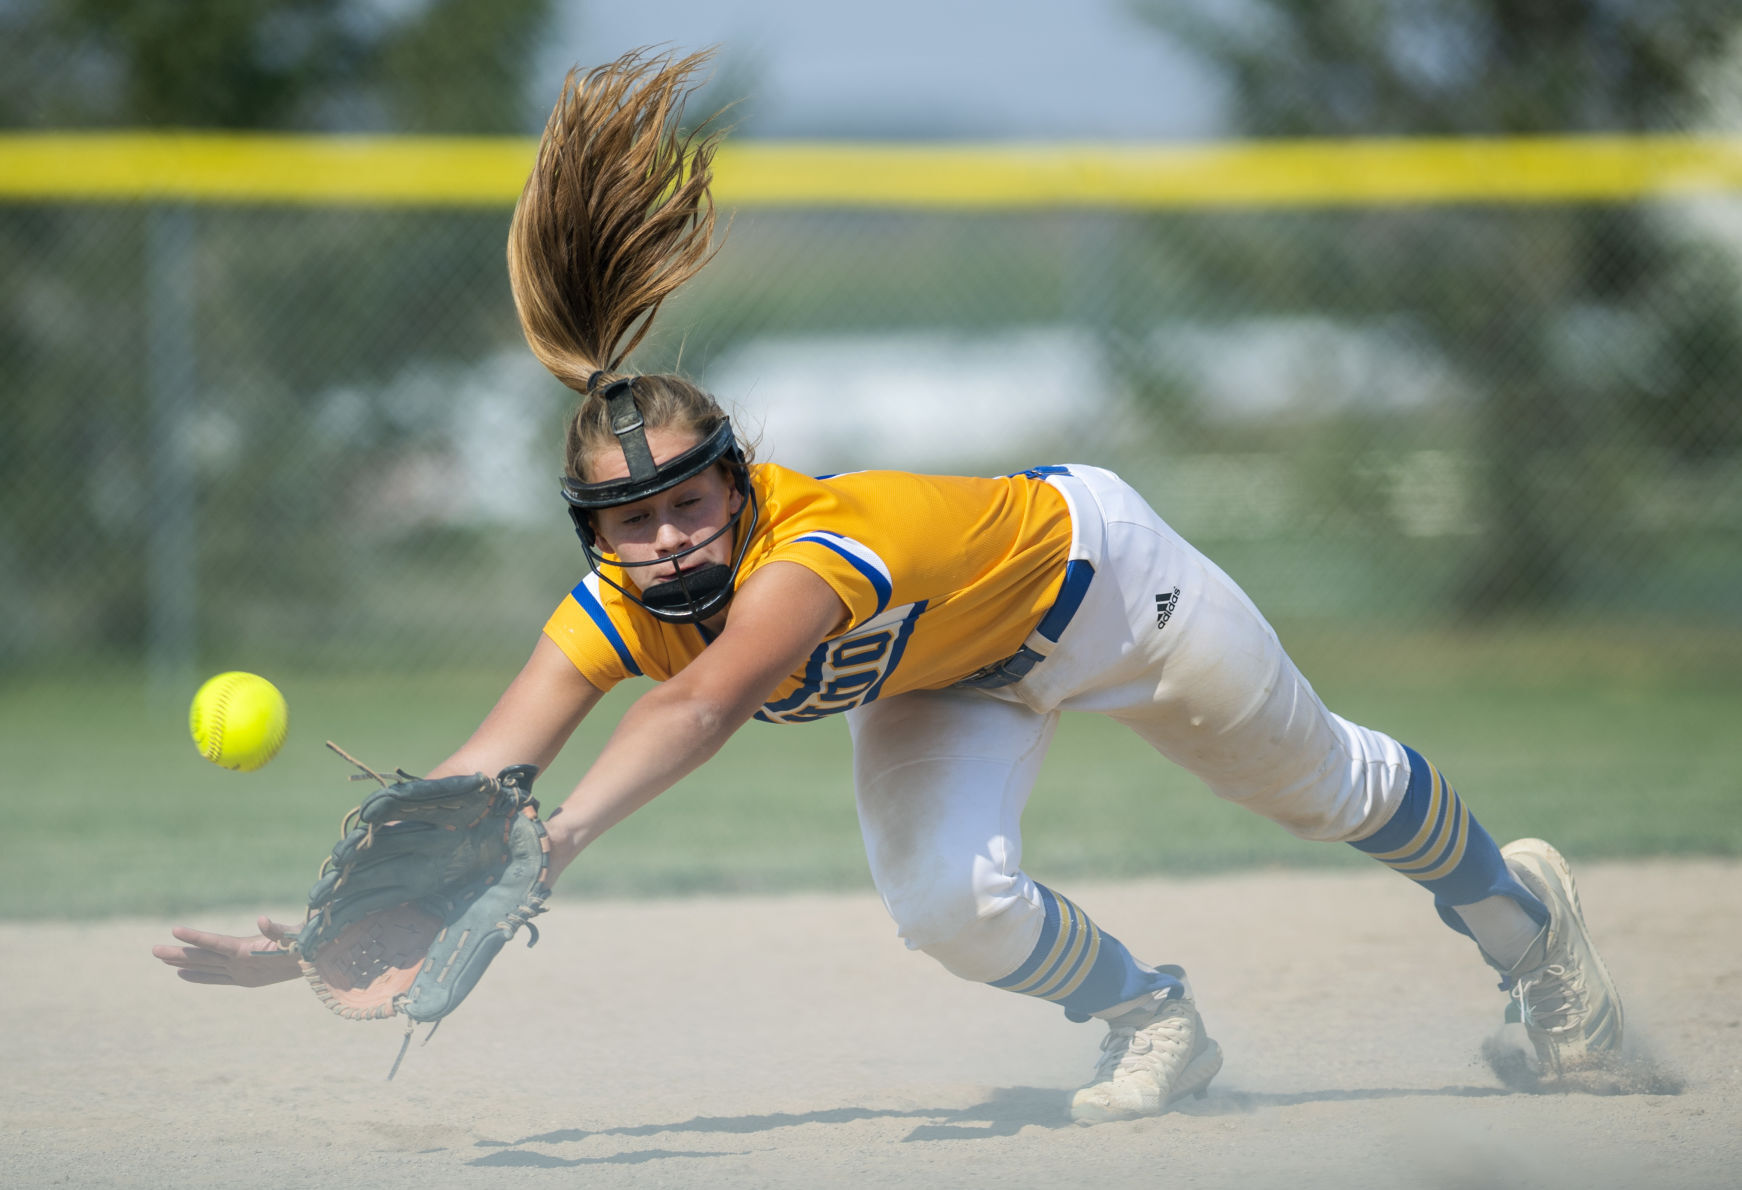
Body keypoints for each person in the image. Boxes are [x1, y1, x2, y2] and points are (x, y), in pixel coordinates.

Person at [153, 48, 1624, 1123]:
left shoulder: (816, 545)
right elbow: (479, 780)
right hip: (939, 683)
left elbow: (719, 699)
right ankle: (1148, 1011)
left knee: (1326, 789)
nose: (664, 539)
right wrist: (315, 940)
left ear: (737, 479)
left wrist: (559, 843)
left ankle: (1523, 927)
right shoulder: (613, 607)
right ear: (590, 533)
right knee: (946, 906)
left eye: (684, 501)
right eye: (628, 520)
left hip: (1105, 589)